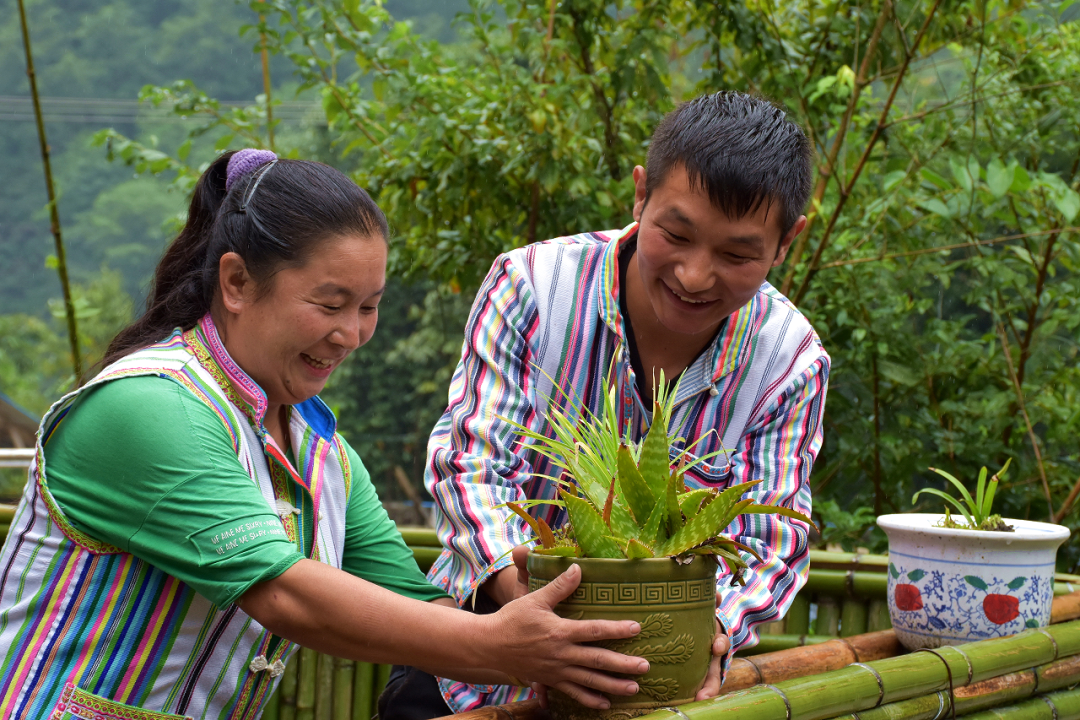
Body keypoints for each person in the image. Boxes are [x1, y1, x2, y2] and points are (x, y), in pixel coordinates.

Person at [0, 150, 652, 720]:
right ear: (236, 282)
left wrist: (589, 644)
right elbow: (284, 592)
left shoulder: (321, 452)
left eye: (369, 307)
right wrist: (500, 647)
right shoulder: (148, 408)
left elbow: (415, 607)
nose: (352, 334)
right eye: (329, 304)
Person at [382, 91, 830, 719]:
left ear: (787, 243)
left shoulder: (788, 361)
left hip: (653, 695)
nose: (696, 275)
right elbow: (471, 464)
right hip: (471, 672)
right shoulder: (533, 289)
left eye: (736, 254)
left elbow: (771, 539)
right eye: (676, 234)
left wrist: (711, 629)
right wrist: (529, 609)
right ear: (640, 194)